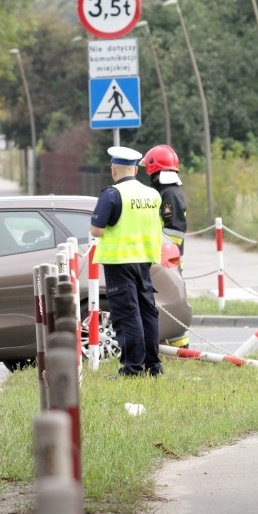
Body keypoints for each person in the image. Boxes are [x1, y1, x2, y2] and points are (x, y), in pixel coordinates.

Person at [90, 146, 164, 378]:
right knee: (147, 313)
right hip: (145, 261)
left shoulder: (112, 194)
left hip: (119, 261)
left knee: (127, 315)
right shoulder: (153, 195)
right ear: (135, 169)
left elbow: (97, 230)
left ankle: (132, 369)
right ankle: (153, 366)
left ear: (114, 169)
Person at [141, 144, 190, 348]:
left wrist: (163, 252)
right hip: (166, 258)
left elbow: (174, 232)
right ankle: (175, 347)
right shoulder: (168, 192)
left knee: (170, 302)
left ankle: (181, 349)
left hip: (166, 259)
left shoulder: (169, 194)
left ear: (154, 170)